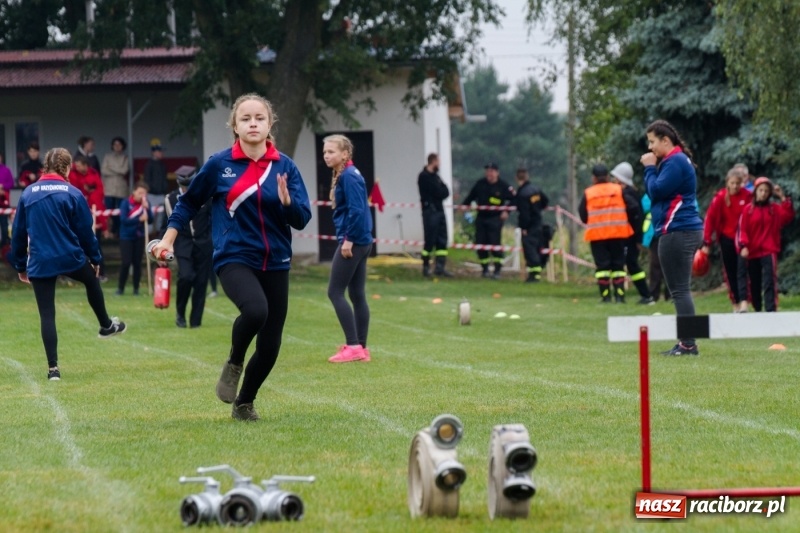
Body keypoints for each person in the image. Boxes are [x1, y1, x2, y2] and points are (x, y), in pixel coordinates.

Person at [152, 93, 312, 421]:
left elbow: (302, 217)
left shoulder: (286, 167)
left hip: (277, 260)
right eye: (246, 118)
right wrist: (167, 239)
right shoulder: (219, 164)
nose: (253, 123)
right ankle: (235, 360)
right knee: (256, 311)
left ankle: (244, 403)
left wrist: (286, 203)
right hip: (234, 256)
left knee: (270, 345)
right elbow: (187, 203)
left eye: (259, 118)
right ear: (235, 126)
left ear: (269, 125)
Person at [9, 147, 126, 381]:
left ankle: (53, 369)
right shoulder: (72, 192)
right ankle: (105, 325)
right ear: (67, 167)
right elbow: (85, 231)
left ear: (45, 167)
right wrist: (95, 258)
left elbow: (19, 234)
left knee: (47, 314)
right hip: (69, 256)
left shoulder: (28, 193)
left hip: (41, 259)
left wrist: (21, 266)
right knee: (91, 281)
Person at [641, 119, 704, 356]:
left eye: (652, 142)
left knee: (680, 290)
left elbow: (656, 190)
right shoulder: (674, 160)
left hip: (678, 231)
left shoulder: (675, 161)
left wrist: (648, 167)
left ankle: (688, 344)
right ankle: (688, 342)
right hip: (682, 230)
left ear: (666, 140)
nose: (650, 148)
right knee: (681, 289)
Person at [323, 134, 374, 363]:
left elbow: (357, 210)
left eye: (331, 152)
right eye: (325, 152)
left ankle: (353, 346)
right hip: (362, 240)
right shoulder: (346, 174)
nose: (326, 155)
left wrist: (348, 240)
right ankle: (361, 348)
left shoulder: (349, 177)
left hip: (354, 240)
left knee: (335, 292)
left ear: (345, 154)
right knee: (356, 294)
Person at [163, 166, 212, 328]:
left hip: (203, 244)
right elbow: (171, 223)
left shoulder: (206, 195)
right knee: (186, 277)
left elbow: (212, 219)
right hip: (183, 245)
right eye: (183, 186)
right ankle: (180, 313)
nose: (186, 189)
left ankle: (196, 321)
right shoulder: (170, 198)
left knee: (200, 283)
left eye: (188, 185)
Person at [737, 177, 794, 312]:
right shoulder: (748, 210)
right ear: (756, 191)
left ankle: (771, 310)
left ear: (769, 194)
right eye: (761, 190)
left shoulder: (774, 209)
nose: (763, 193)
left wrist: (782, 197)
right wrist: (744, 245)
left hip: (769, 250)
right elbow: (742, 229)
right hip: (752, 251)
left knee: (769, 280)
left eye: (766, 191)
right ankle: (757, 308)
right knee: (755, 282)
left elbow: (787, 216)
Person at [579, 164, 635, 303]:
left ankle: (605, 297)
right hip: (618, 234)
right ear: (608, 177)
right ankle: (620, 296)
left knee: (602, 267)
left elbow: (582, 213)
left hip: (597, 235)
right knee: (618, 266)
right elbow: (633, 206)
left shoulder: (589, 193)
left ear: (593, 178)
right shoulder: (618, 190)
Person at [701, 168, 753, 312]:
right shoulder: (720, 198)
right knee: (730, 271)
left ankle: (744, 301)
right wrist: (707, 242)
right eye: (732, 183)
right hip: (726, 239)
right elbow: (709, 220)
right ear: (727, 183)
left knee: (742, 270)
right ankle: (735, 301)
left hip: (743, 240)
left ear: (741, 183)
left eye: (738, 183)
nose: (735, 186)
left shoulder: (747, 196)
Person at [610, 162, 654, 304]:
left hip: (629, 237)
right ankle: (643, 296)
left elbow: (635, 215)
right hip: (631, 237)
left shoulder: (626, 193)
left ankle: (646, 295)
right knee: (629, 264)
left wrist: (636, 239)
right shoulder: (631, 192)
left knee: (631, 264)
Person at [462, 162, 515, 278]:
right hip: (481, 218)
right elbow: (471, 196)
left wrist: (506, 211)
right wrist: (464, 205)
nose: (489, 173)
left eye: (491, 171)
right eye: (487, 171)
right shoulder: (480, 184)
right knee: (481, 244)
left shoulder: (503, 186)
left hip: (495, 219)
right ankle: (485, 269)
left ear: (497, 173)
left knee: (495, 244)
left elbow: (514, 199)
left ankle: (497, 270)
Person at [69, 154, 109, 281]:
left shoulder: (94, 175)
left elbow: (99, 199)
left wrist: (103, 225)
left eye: (80, 165)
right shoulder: (73, 174)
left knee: (96, 247)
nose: (77, 167)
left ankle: (99, 272)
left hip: (93, 217)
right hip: (77, 219)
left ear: (86, 165)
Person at [417, 152, 452, 277]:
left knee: (442, 240)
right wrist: (441, 191)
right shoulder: (424, 176)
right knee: (430, 240)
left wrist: (441, 191)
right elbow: (439, 192)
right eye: (438, 161)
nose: (440, 164)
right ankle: (426, 267)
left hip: (439, 210)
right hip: (430, 212)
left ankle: (440, 268)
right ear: (433, 161)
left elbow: (446, 191)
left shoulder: (436, 176)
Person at [116, 182, 152, 296]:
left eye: (144, 193)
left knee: (137, 263)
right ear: (134, 192)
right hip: (126, 237)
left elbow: (150, 220)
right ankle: (120, 288)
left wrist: (147, 210)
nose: (142, 195)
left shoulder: (145, 204)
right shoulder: (126, 203)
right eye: (140, 193)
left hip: (139, 236)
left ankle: (136, 288)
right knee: (126, 262)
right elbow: (124, 220)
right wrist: (139, 220)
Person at [514, 167, 549, 283]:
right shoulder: (535, 190)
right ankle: (536, 274)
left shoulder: (522, 193)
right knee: (537, 248)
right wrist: (538, 209)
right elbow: (545, 201)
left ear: (517, 178)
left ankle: (534, 275)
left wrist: (524, 227)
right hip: (538, 222)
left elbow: (524, 213)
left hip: (529, 226)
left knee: (530, 250)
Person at [101, 136, 129, 237]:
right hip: (109, 188)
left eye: (119, 144)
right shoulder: (107, 156)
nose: (117, 146)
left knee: (121, 210)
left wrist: (111, 168)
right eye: (115, 144)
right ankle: (112, 229)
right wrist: (118, 170)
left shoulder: (125, 157)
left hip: (121, 189)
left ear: (122, 146)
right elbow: (104, 170)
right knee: (109, 209)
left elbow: (124, 170)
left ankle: (118, 230)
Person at [144, 137, 169, 235]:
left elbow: (165, 179)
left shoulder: (163, 165)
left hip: (161, 195)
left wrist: (164, 188)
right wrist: (152, 189)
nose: (161, 153)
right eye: (159, 151)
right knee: (151, 219)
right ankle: (148, 240)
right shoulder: (149, 164)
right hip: (151, 195)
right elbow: (147, 180)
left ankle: (159, 238)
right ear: (153, 152)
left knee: (160, 219)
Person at [0, 152, 12, 249]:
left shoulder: (6, 170)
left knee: (4, 227)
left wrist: (2, 187)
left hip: (3, 203)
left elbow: (11, 183)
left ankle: (4, 249)